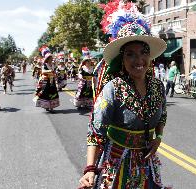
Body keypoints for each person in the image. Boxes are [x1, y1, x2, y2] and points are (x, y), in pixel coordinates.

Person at [78, 1, 167, 189]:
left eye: (143, 53)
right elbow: (96, 132)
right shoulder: (113, 88)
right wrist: (90, 169)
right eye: (130, 54)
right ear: (122, 59)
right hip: (117, 163)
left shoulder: (158, 87)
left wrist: (157, 138)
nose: (139, 60)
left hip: (147, 165)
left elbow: (163, 115)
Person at [33, 46, 60, 113]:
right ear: (47, 59)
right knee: (45, 93)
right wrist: (50, 71)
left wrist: (55, 74)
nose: (51, 59)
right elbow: (43, 71)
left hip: (52, 81)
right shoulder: (45, 65)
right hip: (46, 81)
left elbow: (55, 70)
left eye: (51, 57)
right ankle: (47, 106)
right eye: (50, 58)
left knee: (53, 92)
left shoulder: (53, 65)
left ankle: (51, 107)